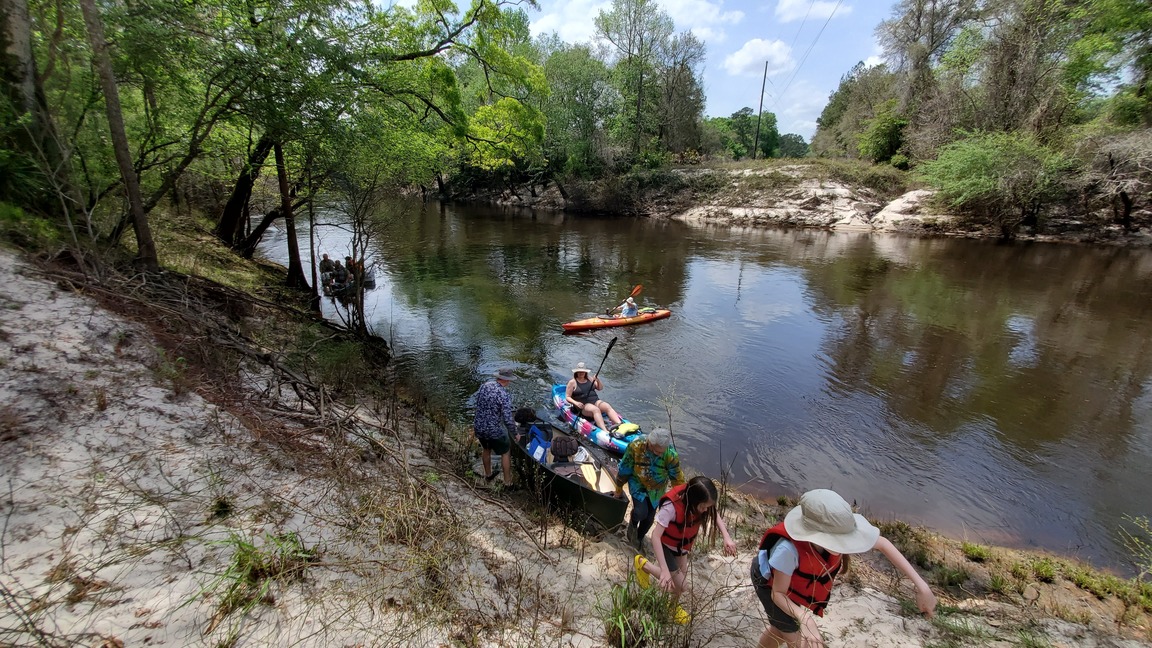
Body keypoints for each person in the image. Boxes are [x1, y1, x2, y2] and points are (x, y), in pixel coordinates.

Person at [752, 489, 937, 648]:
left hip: (790, 585)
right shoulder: (788, 550)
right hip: (769, 584)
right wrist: (805, 618)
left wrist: (923, 588)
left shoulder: (836, 536)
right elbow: (778, 594)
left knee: (780, 628)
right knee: (797, 636)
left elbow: (884, 544)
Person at [634, 475, 738, 624]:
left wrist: (727, 537)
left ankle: (672, 607)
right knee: (681, 586)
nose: (705, 510)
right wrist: (663, 569)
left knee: (678, 582)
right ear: (693, 500)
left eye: (707, 507)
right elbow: (655, 537)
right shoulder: (671, 507)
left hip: (682, 547)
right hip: (666, 547)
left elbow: (714, 514)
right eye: (703, 506)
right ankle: (644, 565)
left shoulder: (702, 501)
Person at [615, 427, 685, 550]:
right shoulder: (636, 446)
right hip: (638, 484)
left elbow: (677, 479)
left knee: (649, 520)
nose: (659, 454)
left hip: (657, 490)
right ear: (650, 444)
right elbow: (625, 467)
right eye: (657, 452)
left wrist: (681, 497)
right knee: (640, 512)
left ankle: (639, 538)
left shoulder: (670, 455)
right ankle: (633, 523)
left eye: (661, 452)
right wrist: (619, 487)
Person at [473, 368, 518, 487]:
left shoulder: (485, 385)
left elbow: (477, 402)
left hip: (479, 426)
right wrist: (516, 433)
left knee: (486, 449)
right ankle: (508, 482)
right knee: (506, 451)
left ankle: (488, 475)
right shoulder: (504, 395)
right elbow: (508, 420)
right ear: (507, 380)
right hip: (493, 430)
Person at [565, 362, 623, 432]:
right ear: (576, 372)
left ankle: (619, 424)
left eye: (583, 372)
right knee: (595, 410)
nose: (581, 373)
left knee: (607, 406)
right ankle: (605, 430)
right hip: (584, 405)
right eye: (579, 372)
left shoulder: (590, 378)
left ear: (585, 372)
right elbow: (568, 397)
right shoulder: (572, 382)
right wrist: (576, 403)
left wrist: (598, 380)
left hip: (595, 401)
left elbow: (600, 388)